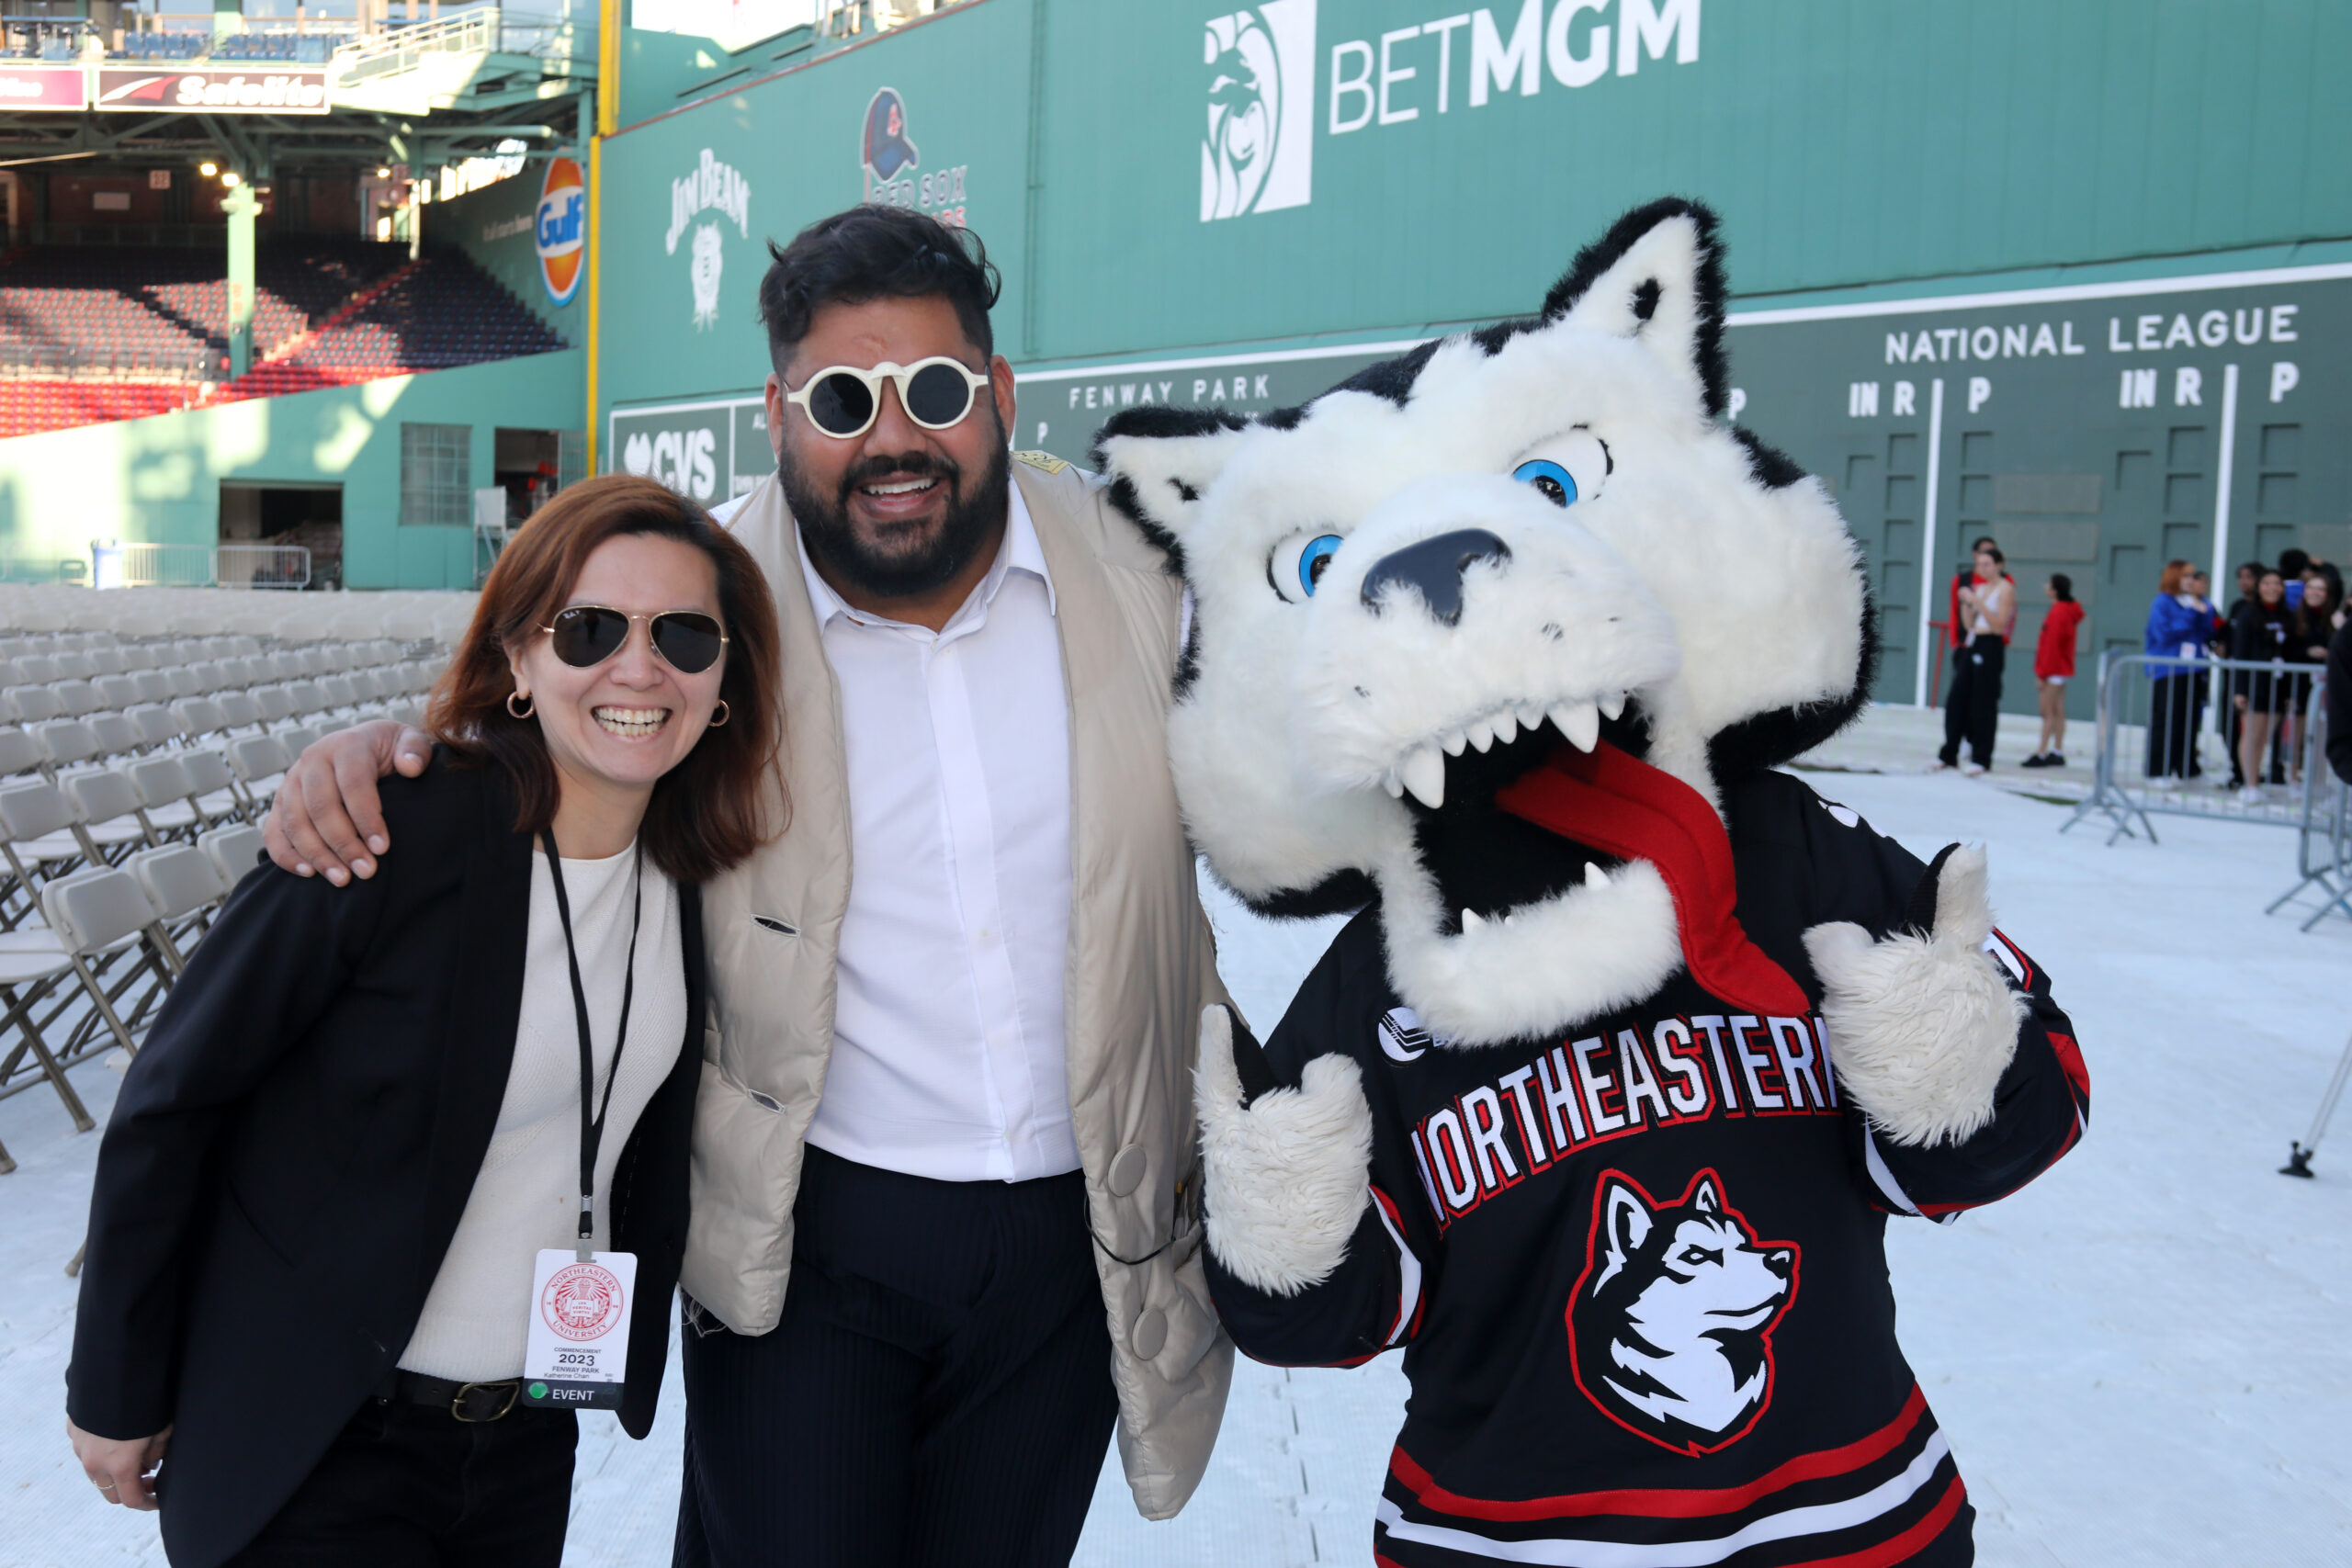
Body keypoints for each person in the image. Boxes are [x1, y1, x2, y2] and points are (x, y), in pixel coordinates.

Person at [261, 207, 1236, 1568]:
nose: (893, 440)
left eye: (937, 391)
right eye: (843, 399)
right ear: (780, 413)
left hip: (1082, 1242)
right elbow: (561, 713)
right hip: (804, 1242)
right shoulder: (712, 603)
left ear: (1002, 395)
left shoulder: (1150, 571)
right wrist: (383, 753)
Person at [66, 476, 782, 1568]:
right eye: (590, 629)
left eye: (684, 636)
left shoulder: (689, 873)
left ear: (724, 676)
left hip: (521, 1443)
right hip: (323, 1439)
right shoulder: (387, 831)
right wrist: (115, 1385)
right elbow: (175, 1098)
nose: (640, 668)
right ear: (518, 659)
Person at [1936, 540, 2015, 773]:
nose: (1983, 569)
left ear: (1999, 565)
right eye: (1980, 564)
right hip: (1974, 642)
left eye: (1988, 564)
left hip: (1990, 644)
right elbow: (1969, 623)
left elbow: (1999, 625)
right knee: (1957, 699)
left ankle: (1981, 756)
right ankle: (1949, 752)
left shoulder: (2005, 588)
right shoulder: (1980, 589)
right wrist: (1966, 604)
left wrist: (1977, 602)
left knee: (1983, 702)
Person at [2231, 568, 2294, 804]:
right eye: (2267, 583)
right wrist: (2239, 689)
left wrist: (2288, 691)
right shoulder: (2249, 615)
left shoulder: (2287, 616)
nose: (2272, 588)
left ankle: (2255, 780)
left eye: (2277, 583)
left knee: (2265, 737)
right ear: (2259, 587)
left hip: (2277, 685)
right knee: (2252, 735)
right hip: (2254, 684)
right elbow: (2240, 652)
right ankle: (2249, 784)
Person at [2141, 559, 2207, 784]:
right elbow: (2164, 634)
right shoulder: (2163, 602)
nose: (2191, 580)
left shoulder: (2196, 601)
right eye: (2186, 576)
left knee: (2188, 720)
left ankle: (2186, 767)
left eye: (2193, 576)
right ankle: (2158, 770)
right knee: (2166, 720)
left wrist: (2202, 609)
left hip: (2193, 668)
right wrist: (2190, 613)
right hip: (2168, 669)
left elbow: (2207, 632)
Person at [2022, 572, 2086, 768]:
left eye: (2048, 584)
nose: (2045, 587)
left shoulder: (2058, 612)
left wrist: (2042, 674)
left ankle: (2041, 752)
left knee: (2047, 712)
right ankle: (2056, 749)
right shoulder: (2067, 610)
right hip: (2061, 668)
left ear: (2054, 590)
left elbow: (2051, 646)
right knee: (2058, 711)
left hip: (2053, 669)